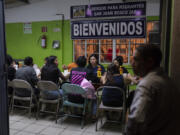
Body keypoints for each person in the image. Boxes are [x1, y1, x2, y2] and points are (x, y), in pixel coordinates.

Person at [126, 45, 180, 135]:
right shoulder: (168, 81)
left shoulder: (147, 85)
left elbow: (135, 121)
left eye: (136, 60)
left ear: (150, 62)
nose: (132, 63)